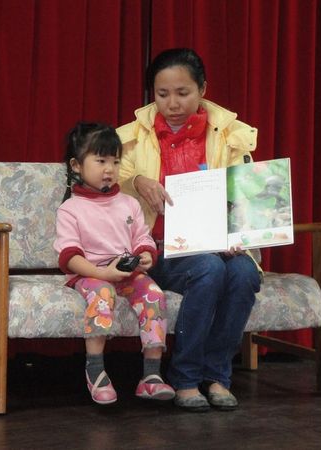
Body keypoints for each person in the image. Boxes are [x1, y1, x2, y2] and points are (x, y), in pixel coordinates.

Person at [117, 48, 262, 412]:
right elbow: (107, 177)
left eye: (183, 93)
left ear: (202, 90)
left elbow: (245, 194)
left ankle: (217, 376)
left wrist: (235, 236)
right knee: (207, 268)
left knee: (244, 272)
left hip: (216, 244)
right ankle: (184, 377)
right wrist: (137, 180)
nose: (173, 103)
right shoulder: (130, 137)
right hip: (157, 248)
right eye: (162, 94)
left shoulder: (230, 134)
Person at [53, 122, 175, 405]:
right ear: (76, 165)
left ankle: (151, 375)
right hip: (91, 273)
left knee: (154, 294)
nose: (109, 169)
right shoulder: (70, 209)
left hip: (126, 273)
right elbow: (70, 256)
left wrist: (146, 253)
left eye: (115, 161)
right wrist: (102, 273)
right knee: (102, 293)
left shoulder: (129, 203)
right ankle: (95, 371)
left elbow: (141, 237)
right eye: (100, 161)